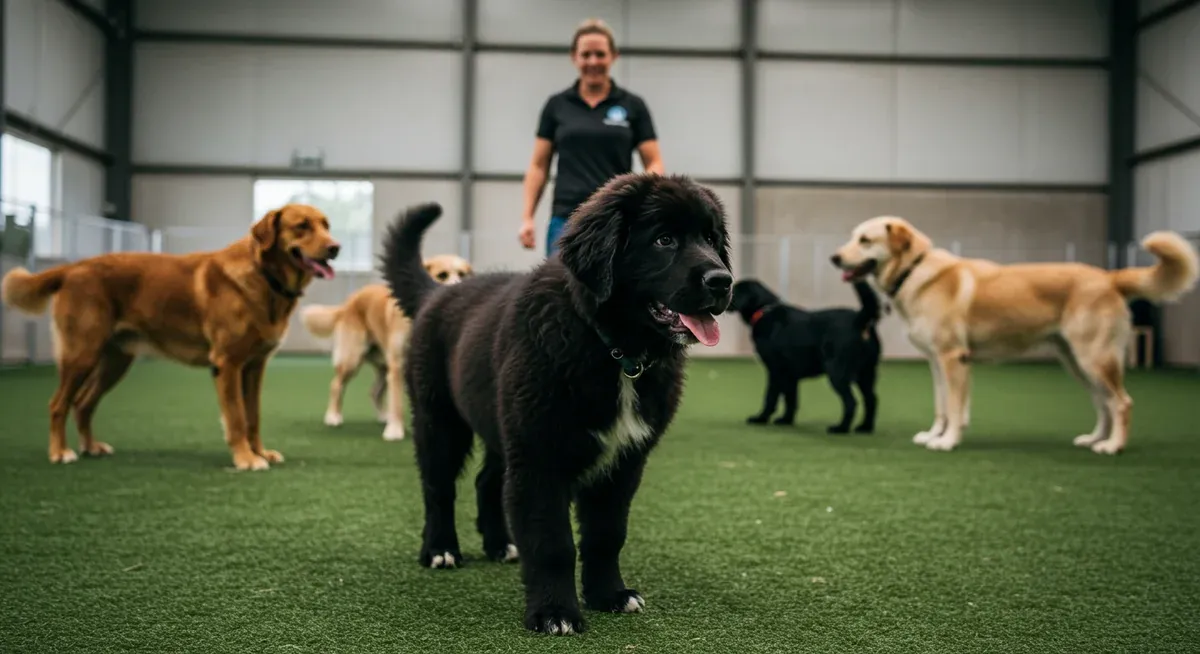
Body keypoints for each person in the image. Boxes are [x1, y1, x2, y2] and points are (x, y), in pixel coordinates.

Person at [518, 18, 664, 257]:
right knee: (559, 288)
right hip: (566, 219)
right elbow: (538, 166)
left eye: (600, 54)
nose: (593, 62)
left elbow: (654, 162)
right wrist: (527, 218)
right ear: (574, 57)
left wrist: (642, 200)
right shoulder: (557, 106)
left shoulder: (633, 106)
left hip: (617, 218)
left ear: (613, 56)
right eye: (586, 55)